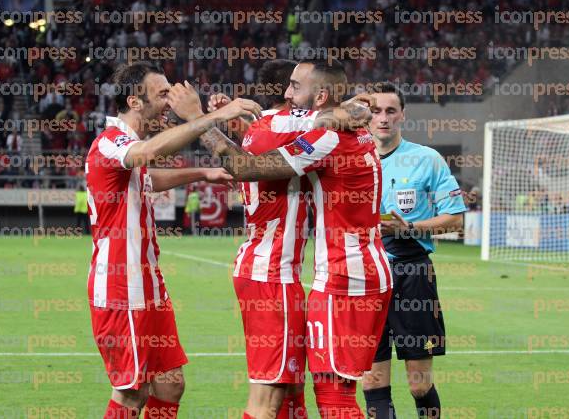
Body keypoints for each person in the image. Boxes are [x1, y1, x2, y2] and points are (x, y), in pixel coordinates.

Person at [184, 58, 393, 418]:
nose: (288, 93)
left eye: (296, 86)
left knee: (330, 398)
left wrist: (197, 119)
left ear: (321, 94)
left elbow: (245, 165)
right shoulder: (338, 127)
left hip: (340, 277)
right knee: (297, 391)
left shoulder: (323, 135)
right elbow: (350, 107)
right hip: (353, 270)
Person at [85, 61, 261, 419]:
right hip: (122, 287)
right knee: (131, 393)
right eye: (162, 93)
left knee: (169, 383)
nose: (171, 100)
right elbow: (148, 155)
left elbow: (149, 177)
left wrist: (204, 172)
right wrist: (214, 115)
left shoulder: (129, 150)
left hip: (148, 284)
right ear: (135, 102)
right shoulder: (111, 141)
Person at [208, 58, 312, 419]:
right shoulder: (288, 123)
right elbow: (344, 113)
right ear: (291, 91)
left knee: (292, 387)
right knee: (267, 399)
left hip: (263, 269)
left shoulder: (261, 128)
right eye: (304, 84)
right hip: (273, 276)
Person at [361, 82, 467, 419]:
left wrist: (409, 228)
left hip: (412, 274)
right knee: (373, 381)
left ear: (402, 115)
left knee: (419, 384)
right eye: (375, 110)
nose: (383, 118)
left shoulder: (426, 159)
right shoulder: (351, 160)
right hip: (365, 276)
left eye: (390, 110)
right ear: (364, 115)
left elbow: (456, 220)